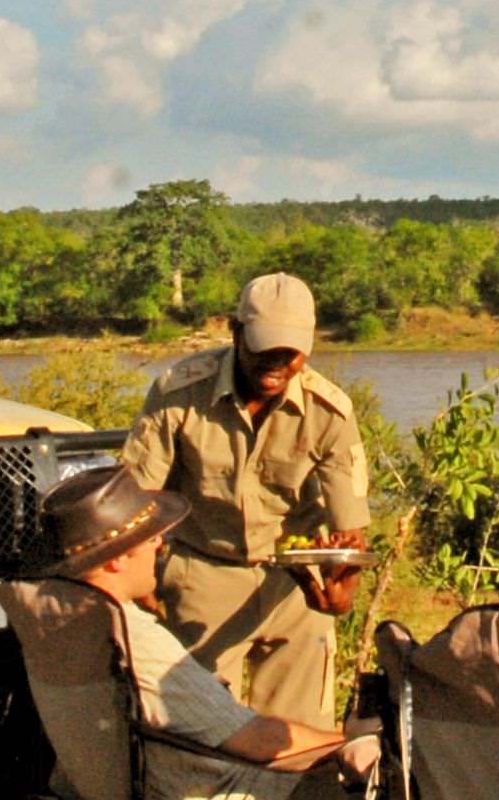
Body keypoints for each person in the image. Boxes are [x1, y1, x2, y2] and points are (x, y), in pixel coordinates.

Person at [40, 463, 361, 800]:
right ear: (115, 560)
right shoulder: (136, 640)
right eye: (147, 538)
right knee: (384, 786)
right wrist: (353, 745)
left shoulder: (59, 625)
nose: (160, 545)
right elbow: (260, 742)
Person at [120, 271, 370, 730]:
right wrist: (144, 587)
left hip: (296, 587)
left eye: (290, 354)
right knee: (201, 733)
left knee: (300, 741)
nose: (276, 364)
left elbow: (349, 529)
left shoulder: (329, 411)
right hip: (202, 574)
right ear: (236, 334)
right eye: (262, 349)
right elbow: (138, 502)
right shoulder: (179, 394)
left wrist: (342, 592)